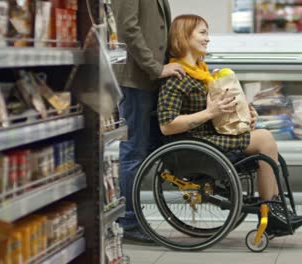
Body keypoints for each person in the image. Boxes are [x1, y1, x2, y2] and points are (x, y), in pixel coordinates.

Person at [158, 14, 302, 233]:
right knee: (265, 140)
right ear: (183, 36)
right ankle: (271, 212)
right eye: (202, 33)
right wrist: (209, 112)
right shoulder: (176, 78)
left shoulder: (202, 73)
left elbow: (217, 113)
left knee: (264, 138)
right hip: (193, 145)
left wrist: (245, 116)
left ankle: (275, 209)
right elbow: (167, 125)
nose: (207, 38)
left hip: (209, 139)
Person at [111, 0, 185, 243]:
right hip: (135, 79)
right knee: (133, 151)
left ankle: (132, 216)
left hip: (150, 79)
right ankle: (128, 222)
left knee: (148, 149)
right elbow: (127, 29)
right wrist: (156, 67)